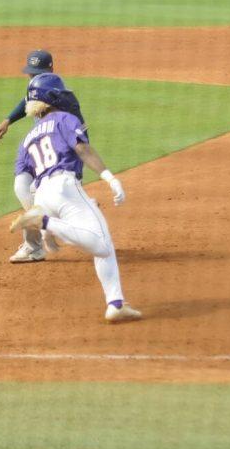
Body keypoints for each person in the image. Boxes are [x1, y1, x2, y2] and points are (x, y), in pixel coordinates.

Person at [10, 73, 141, 324]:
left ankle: (116, 303)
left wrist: (34, 207)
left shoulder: (26, 139)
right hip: (65, 188)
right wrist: (110, 178)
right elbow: (82, 149)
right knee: (102, 244)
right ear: (52, 97)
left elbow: (20, 184)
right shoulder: (65, 118)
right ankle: (45, 222)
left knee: (101, 245)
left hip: (43, 194)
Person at [0, 50, 86, 264]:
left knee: (38, 194)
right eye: (31, 73)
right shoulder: (35, 87)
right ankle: (53, 223)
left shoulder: (64, 98)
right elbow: (25, 100)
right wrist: (7, 121)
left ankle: (35, 245)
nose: (33, 78)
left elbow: (79, 137)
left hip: (55, 155)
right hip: (34, 146)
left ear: (51, 69)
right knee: (21, 188)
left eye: (38, 73)